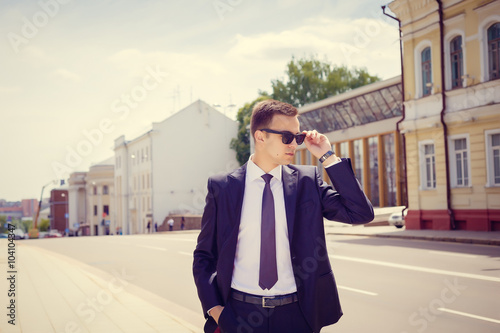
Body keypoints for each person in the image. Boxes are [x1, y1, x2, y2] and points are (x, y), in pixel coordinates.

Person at [193, 99, 374, 333]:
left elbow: (360, 212)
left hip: (296, 316)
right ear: (260, 137)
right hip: (239, 314)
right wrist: (217, 311)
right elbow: (204, 256)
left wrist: (327, 156)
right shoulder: (223, 187)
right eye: (287, 137)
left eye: (297, 137)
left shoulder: (307, 181)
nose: (295, 145)